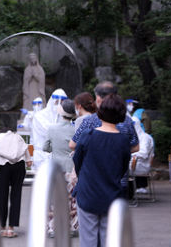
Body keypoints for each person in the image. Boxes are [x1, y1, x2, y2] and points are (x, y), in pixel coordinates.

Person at [73, 94, 132, 247]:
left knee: (88, 240)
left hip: (88, 193)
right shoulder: (124, 140)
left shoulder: (88, 135)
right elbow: (123, 168)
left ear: (101, 112)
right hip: (112, 194)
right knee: (109, 240)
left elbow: (77, 161)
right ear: (121, 115)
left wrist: (84, 178)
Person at [43, 99, 78, 237]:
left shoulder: (52, 128)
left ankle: (52, 228)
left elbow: (45, 147)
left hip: (56, 168)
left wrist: (55, 147)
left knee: (54, 199)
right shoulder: (75, 129)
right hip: (72, 168)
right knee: (72, 200)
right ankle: (73, 227)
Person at [0, 128, 32, 238]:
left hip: (2, 166)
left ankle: (2, 228)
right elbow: (27, 155)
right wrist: (28, 161)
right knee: (16, 195)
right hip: (19, 166)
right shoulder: (18, 137)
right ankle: (11, 228)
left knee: (2, 195)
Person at [31, 88, 68, 171]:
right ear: (52, 101)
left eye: (62, 102)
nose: (59, 105)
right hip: (42, 156)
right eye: (56, 102)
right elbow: (50, 131)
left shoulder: (63, 117)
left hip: (59, 157)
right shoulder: (39, 116)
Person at [130, 116, 154, 194]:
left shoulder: (145, 138)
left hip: (142, 165)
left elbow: (143, 153)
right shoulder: (135, 138)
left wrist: (128, 154)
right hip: (135, 164)